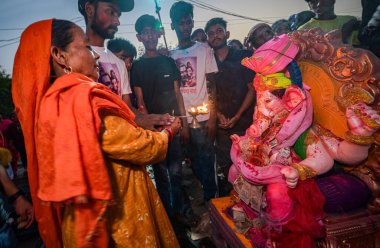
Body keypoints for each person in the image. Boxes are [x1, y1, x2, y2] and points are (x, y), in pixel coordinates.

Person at [12, 19, 181, 247]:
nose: (97, 56)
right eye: (87, 48)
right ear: (60, 56)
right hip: (119, 221)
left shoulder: (53, 103)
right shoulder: (82, 101)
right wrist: (169, 132)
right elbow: (143, 147)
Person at [130, 14, 191, 230]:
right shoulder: (137, 67)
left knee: (175, 172)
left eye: (153, 31)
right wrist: (149, 128)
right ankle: (167, 216)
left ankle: (179, 213)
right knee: (161, 174)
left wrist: (183, 124)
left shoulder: (168, 61)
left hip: (173, 124)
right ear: (140, 37)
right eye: (145, 32)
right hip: (154, 129)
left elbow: (178, 93)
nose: (150, 36)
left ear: (159, 33)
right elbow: (140, 101)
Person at [78, 0, 172, 131]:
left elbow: (126, 105)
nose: (117, 22)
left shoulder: (119, 63)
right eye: (111, 12)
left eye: (118, 15)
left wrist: (145, 119)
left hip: (120, 143)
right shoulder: (73, 57)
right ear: (89, 10)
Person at [169, 0, 218, 207]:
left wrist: (213, 118)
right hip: (183, 121)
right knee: (194, 162)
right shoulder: (171, 56)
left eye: (189, 22)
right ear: (173, 26)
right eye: (181, 23)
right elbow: (174, 92)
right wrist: (182, 122)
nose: (186, 27)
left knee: (208, 163)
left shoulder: (204, 49)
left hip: (205, 118)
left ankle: (213, 205)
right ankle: (205, 202)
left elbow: (212, 86)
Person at [205, 17, 256, 196]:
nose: (215, 36)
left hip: (245, 121)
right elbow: (208, 92)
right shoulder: (207, 60)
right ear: (207, 38)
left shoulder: (243, 56)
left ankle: (252, 199)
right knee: (226, 162)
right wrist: (218, 114)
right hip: (221, 124)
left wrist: (237, 115)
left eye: (219, 31)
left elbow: (252, 89)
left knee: (250, 161)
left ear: (227, 34)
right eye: (211, 33)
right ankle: (232, 199)